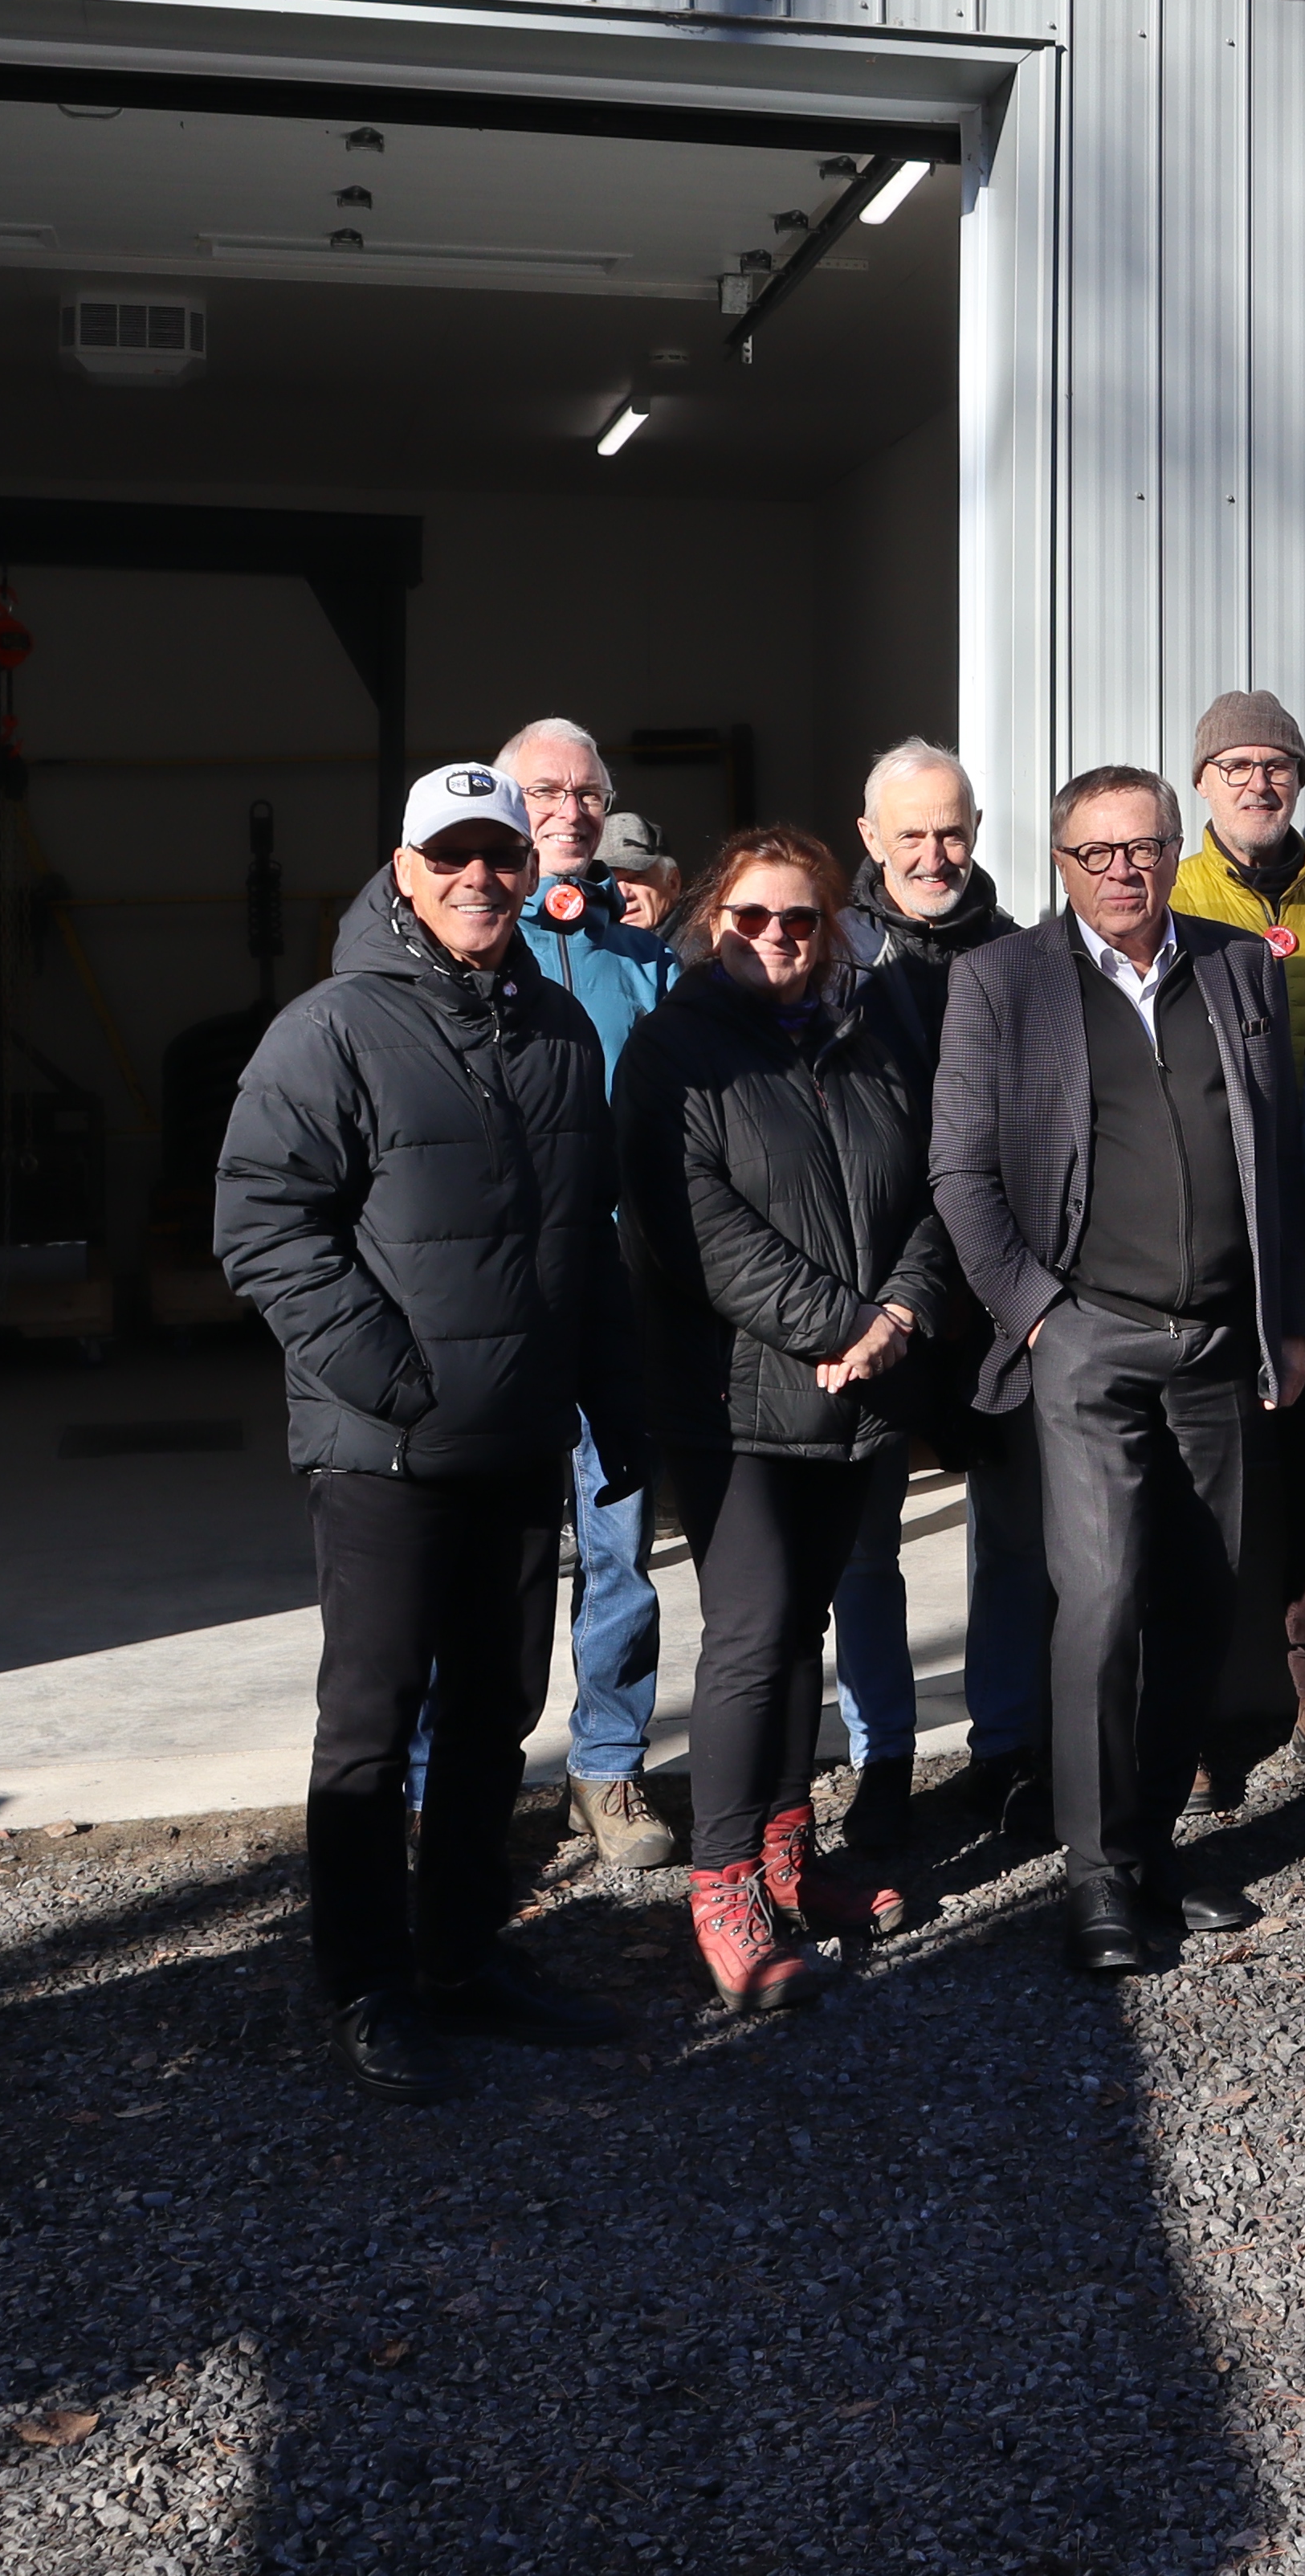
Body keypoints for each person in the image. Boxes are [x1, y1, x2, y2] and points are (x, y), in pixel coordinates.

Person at [212, 763, 646, 2103]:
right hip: (387, 1451)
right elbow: (260, 1229)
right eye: (448, 856)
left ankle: (463, 1959)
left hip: (520, 1445)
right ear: (403, 872)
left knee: (495, 1714)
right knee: (372, 1723)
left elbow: (586, 1249)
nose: (478, 878)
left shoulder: (563, 1029)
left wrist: (614, 1410)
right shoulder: (329, 1031)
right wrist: (394, 1380)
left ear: (531, 871)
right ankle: (366, 1986)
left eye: (499, 856)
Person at [932, 764, 1305, 1974]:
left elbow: (1283, 1154)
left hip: (1217, 1339)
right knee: (1100, 1608)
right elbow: (960, 1173)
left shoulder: (1236, 963)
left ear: (1172, 848)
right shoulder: (1001, 982)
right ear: (1061, 863)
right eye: (1095, 853)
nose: (1122, 870)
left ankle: (1153, 1851)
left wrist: (1288, 1317)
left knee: (1202, 1602)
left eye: (1141, 847)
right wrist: (1038, 1313)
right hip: (1088, 1340)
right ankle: (1095, 1882)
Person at [614, 827, 962, 2011]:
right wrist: (842, 1327)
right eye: (753, 919)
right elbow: (698, 1233)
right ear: (714, 923)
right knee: (752, 1640)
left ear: (831, 927)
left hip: (856, 1396)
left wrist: (901, 1312)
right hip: (741, 1404)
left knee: (805, 1628)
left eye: (800, 920)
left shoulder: (864, 1044)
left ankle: (784, 1849)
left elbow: (926, 1193)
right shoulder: (672, 1055)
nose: (777, 938)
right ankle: (721, 1885)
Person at [1168, 690, 1305, 1778]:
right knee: (1214, 1470)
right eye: (1237, 764)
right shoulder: (1167, 891)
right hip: (1213, 1229)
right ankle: (1213, 1709)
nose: (1259, 781)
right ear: (1203, 782)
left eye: (1277, 764)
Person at [835, 740, 1045, 1847]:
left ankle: (1003, 1745)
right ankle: (881, 1763)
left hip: (995, 1293)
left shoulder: (1019, 956)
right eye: (909, 832)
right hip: (870, 1298)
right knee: (865, 1549)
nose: (933, 852)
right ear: (869, 838)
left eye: (951, 829)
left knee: (1011, 1538)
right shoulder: (829, 956)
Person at [492, 716, 688, 1875]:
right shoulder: (465, 934)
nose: (567, 811)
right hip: (505, 1302)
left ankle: (607, 1768)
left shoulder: (640, 951)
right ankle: (445, 1776)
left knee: (618, 1546)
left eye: (586, 793)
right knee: (489, 1548)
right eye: (544, 792)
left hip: (618, 1300)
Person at [600, 812, 690, 945]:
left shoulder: (699, 951)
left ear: (673, 883)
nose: (624, 894)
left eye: (637, 877)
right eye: (610, 882)